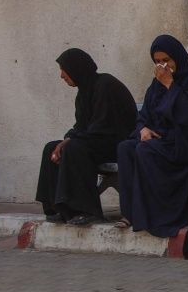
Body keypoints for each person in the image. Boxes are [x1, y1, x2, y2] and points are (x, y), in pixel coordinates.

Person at [115, 35, 188, 238]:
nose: (163, 66)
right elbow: (144, 114)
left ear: (177, 57)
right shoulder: (156, 85)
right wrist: (143, 128)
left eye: (167, 60)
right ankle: (131, 214)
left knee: (145, 150)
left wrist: (171, 84)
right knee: (126, 148)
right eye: (158, 61)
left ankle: (157, 215)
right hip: (166, 141)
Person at [35, 48, 137, 227]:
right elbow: (81, 126)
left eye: (64, 70)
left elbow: (103, 126)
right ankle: (57, 207)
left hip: (118, 144)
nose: (62, 76)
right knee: (52, 147)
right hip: (95, 141)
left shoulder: (105, 85)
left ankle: (88, 210)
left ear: (76, 67)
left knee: (74, 148)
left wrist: (71, 141)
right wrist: (66, 139)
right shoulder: (84, 92)